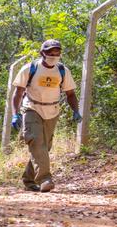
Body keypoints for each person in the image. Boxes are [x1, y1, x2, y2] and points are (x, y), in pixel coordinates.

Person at [11, 39, 82, 193]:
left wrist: (76, 111)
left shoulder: (63, 70)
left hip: (52, 111)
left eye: (57, 52)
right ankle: (45, 179)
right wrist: (15, 114)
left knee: (44, 148)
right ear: (42, 53)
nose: (54, 55)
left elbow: (70, 94)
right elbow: (17, 93)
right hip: (31, 108)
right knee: (35, 141)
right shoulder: (30, 68)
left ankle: (29, 180)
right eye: (50, 52)